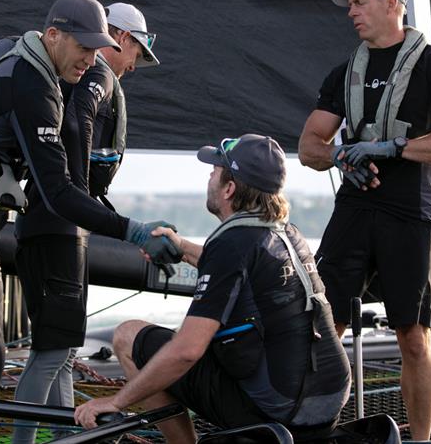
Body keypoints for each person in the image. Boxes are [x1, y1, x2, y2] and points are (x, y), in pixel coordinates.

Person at [0, 0, 179, 444]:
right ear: (53, 35)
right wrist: (131, 231)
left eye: (98, 49)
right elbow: (57, 193)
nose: (92, 60)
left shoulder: (5, 47)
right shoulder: (37, 89)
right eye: (84, 48)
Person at [74, 134, 351, 443]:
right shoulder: (287, 234)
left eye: (215, 170)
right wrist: (179, 246)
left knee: (128, 336)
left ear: (229, 188)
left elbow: (187, 352)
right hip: (328, 405)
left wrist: (115, 402)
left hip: (280, 416)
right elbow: (232, 267)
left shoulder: (232, 244)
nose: (209, 176)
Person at [298, 0, 431, 440]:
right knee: (322, 330)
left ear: (394, 4)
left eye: (361, 2)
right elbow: (307, 147)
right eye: (350, 4)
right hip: (354, 210)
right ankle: (312, 431)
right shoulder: (343, 73)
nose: (352, 11)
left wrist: (393, 148)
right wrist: (339, 154)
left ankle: (418, 441)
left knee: (412, 339)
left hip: (409, 213)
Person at [11, 2, 160, 444]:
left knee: (61, 350)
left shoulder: (75, 75)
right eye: (136, 55)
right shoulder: (99, 75)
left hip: (50, 224)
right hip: (58, 226)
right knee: (51, 352)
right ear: (125, 40)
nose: (132, 66)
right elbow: (75, 125)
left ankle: (69, 440)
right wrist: (78, 195)